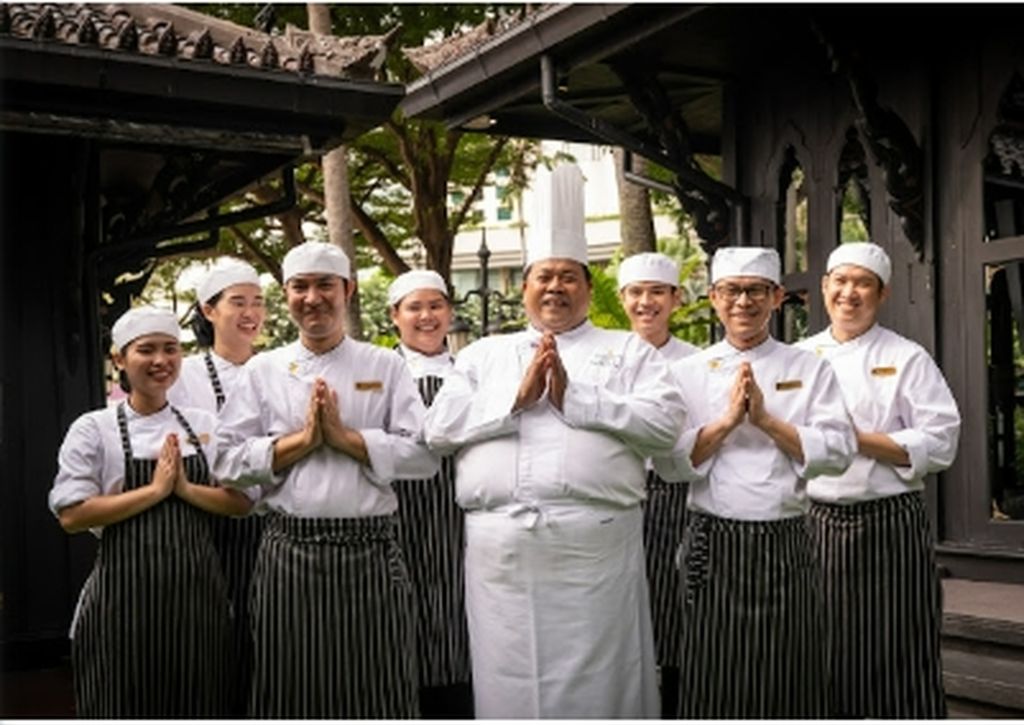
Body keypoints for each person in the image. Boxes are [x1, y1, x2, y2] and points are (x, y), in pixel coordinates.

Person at [424, 162, 686, 719]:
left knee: (602, 680)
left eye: (569, 276)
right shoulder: (483, 355)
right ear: (524, 288)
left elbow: (665, 427)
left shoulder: (628, 350)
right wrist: (513, 401)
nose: (555, 287)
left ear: (589, 288)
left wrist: (580, 400)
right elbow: (438, 430)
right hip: (502, 556)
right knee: (509, 679)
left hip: (596, 549)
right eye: (544, 276)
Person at [213, 241, 439, 719]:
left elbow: (424, 456)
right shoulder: (263, 369)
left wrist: (347, 439)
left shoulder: (384, 365)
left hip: (370, 550)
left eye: (325, 286)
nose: (312, 298)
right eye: (300, 287)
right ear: (286, 294)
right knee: (291, 686)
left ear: (348, 291)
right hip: (289, 550)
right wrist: (301, 442)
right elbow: (226, 461)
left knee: (378, 682)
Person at [652, 246, 856, 719]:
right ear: (713, 298)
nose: (743, 301)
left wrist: (765, 420)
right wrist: (727, 422)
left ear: (777, 297)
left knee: (791, 670)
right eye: (731, 291)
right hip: (713, 540)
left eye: (756, 291)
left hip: (785, 539)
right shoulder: (684, 373)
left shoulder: (809, 367)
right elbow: (668, 464)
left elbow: (838, 450)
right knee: (713, 671)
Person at [49, 306, 253, 718]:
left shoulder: (203, 425)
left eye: (170, 349)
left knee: (200, 704)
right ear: (119, 359)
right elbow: (72, 515)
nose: (161, 360)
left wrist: (185, 489)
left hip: (199, 604)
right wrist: (156, 490)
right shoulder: (94, 428)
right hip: (121, 607)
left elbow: (241, 502)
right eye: (146, 350)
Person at [796, 242, 961, 718]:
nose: (849, 293)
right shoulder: (797, 359)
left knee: (900, 643)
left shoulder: (907, 357)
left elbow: (941, 441)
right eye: (840, 281)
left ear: (882, 293)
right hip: (814, 523)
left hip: (891, 523)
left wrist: (854, 440)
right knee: (821, 646)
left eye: (863, 283)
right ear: (823, 287)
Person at [167, 256, 266, 716]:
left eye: (258, 302)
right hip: (202, 521)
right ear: (209, 311)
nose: (251, 313)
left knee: (262, 641)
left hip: (267, 527)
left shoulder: (276, 370)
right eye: (238, 302)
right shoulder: (182, 375)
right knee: (207, 644)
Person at [617, 251, 700, 719]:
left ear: (676, 298)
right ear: (622, 298)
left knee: (672, 604)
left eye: (656, 293)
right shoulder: (608, 357)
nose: (645, 302)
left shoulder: (696, 363)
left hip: (674, 493)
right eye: (636, 292)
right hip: (616, 494)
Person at [387, 269, 473, 718]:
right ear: (394, 316)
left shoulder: (470, 370)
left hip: (458, 514)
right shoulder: (381, 370)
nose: (426, 316)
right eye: (414, 308)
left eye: (436, 306)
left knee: (460, 610)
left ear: (449, 312)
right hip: (398, 511)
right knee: (404, 611)